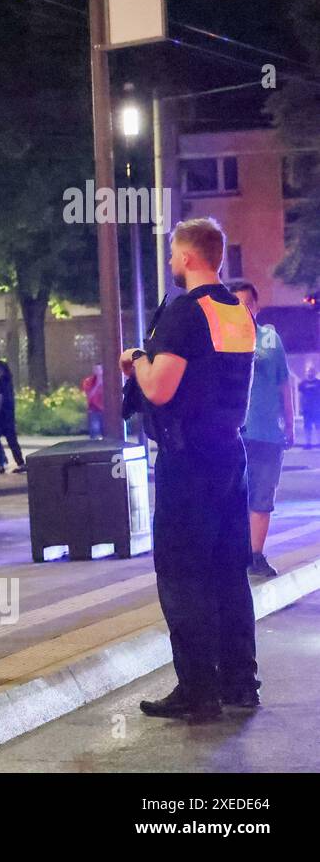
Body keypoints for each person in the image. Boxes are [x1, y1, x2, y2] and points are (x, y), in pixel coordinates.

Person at [121, 218, 258, 723]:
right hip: (229, 455)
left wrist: (136, 359)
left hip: (189, 459)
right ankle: (240, 683)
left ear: (189, 257)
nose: (171, 262)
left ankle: (198, 690)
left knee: (182, 575)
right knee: (228, 571)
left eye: (174, 254)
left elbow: (159, 388)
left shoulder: (183, 312)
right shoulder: (238, 311)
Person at [229, 280, 293, 578]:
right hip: (232, 434)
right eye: (236, 304)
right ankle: (232, 556)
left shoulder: (270, 339)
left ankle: (256, 556)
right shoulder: (221, 339)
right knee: (232, 497)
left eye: (247, 303)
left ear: (256, 306)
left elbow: (284, 383)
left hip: (267, 432)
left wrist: (290, 425)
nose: (243, 309)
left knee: (262, 497)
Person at [0, 360, 26, 474]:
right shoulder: (9, 382)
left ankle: (0, 465)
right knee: (12, 440)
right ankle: (21, 463)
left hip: (2, 416)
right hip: (9, 414)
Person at [298, 365, 320, 448]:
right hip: (307, 409)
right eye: (308, 371)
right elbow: (300, 396)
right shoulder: (302, 384)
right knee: (307, 427)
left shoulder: (318, 383)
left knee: (318, 426)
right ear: (306, 373)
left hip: (317, 409)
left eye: (311, 371)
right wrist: (300, 407)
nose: (310, 373)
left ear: (314, 373)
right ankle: (308, 443)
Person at [81, 363, 105, 439]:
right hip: (94, 409)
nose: (98, 372)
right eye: (96, 369)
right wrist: (98, 384)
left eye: (99, 369)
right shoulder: (89, 381)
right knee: (95, 430)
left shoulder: (109, 381)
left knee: (106, 431)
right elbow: (89, 396)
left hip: (106, 410)